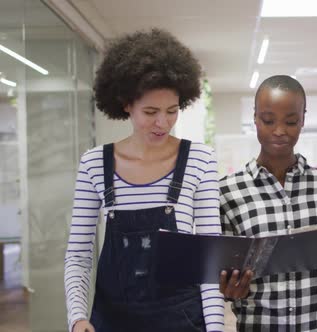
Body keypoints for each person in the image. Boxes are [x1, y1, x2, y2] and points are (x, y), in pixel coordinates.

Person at [64, 29, 224, 332]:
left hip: (183, 321)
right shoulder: (94, 164)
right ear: (126, 104)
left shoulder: (200, 160)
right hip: (112, 321)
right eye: (150, 111)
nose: (162, 123)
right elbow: (78, 254)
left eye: (172, 111)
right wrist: (76, 317)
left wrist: (215, 328)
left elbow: (209, 257)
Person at [218, 75, 317, 331]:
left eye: (291, 122)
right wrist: (230, 290)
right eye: (268, 120)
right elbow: (224, 279)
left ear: (303, 121)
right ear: (255, 118)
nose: (279, 131)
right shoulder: (228, 193)